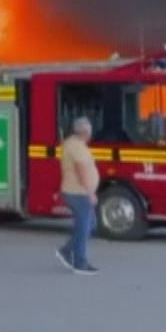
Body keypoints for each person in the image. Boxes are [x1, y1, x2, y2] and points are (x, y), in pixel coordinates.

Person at [56, 117, 99, 275]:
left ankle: (66, 251)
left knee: (90, 225)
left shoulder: (75, 144)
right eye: (89, 131)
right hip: (78, 193)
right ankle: (80, 262)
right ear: (85, 132)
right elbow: (81, 171)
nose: (90, 134)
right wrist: (90, 193)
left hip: (77, 192)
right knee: (83, 227)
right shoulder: (76, 147)